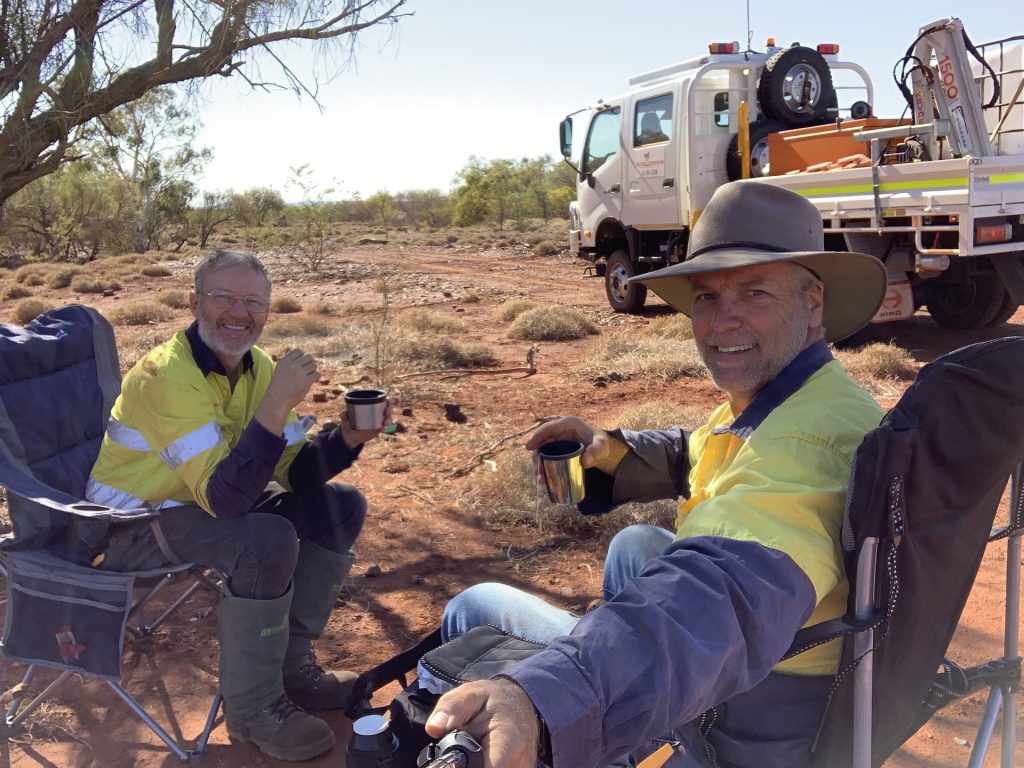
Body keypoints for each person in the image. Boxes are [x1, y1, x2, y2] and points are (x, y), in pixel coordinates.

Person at [424, 181, 888, 768]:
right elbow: (699, 450)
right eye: (707, 297)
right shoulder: (800, 398)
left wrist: (543, 697)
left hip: (738, 716)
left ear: (813, 302)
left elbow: (721, 592)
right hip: (777, 680)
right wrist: (609, 451)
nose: (721, 322)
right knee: (636, 543)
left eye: (754, 291)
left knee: (473, 607)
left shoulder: (806, 440)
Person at [72, 250, 387, 762]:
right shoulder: (166, 376)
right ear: (194, 302)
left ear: (267, 311)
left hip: (190, 509)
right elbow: (226, 500)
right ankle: (254, 710)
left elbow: (294, 473)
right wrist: (275, 405)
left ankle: (293, 669)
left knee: (340, 505)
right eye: (224, 297)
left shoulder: (256, 367)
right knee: (263, 541)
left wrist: (348, 438)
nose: (239, 313)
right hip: (124, 528)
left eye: (254, 302)